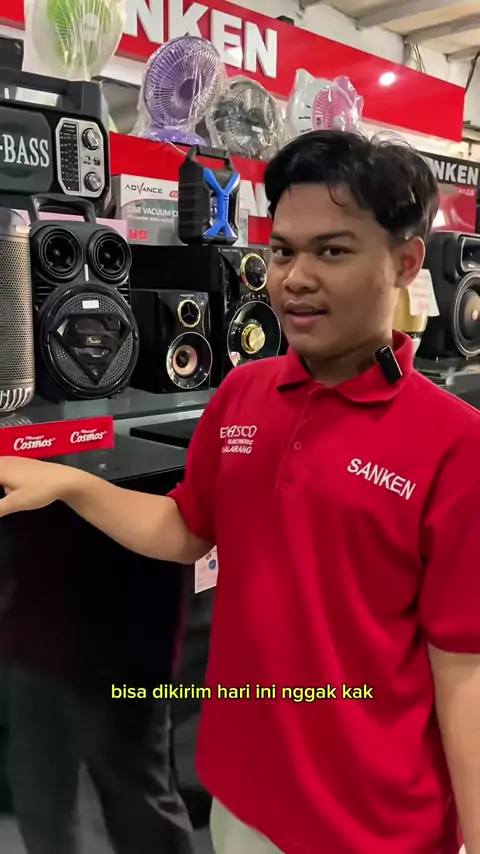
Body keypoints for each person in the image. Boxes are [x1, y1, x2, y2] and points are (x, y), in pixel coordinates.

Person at [0, 130, 478, 854]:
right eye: (283, 251)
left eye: (333, 251)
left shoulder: (456, 444)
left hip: (376, 830)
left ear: (406, 262)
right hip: (241, 800)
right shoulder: (245, 392)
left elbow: (465, 675)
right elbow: (187, 527)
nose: (296, 278)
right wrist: (69, 483)